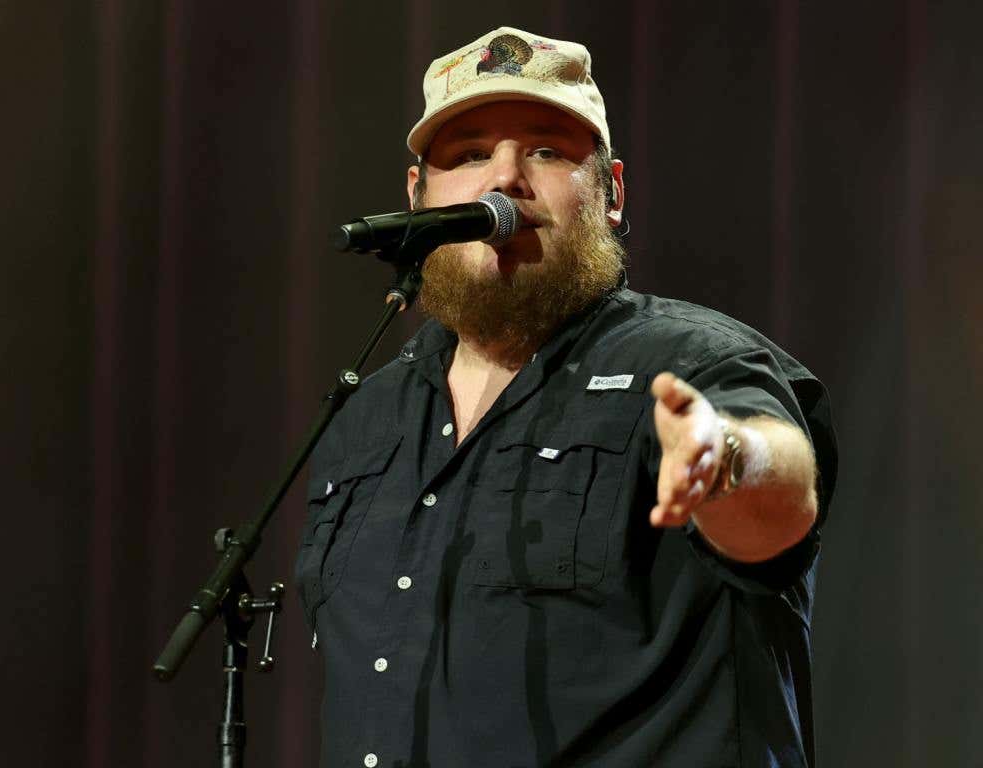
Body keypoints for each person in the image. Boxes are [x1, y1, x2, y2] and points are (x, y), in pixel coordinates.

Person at [296, 26, 837, 768]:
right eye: (469, 155)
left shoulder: (689, 361)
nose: (505, 179)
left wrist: (726, 455)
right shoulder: (369, 412)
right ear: (417, 195)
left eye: (547, 150)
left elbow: (781, 496)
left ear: (612, 193)